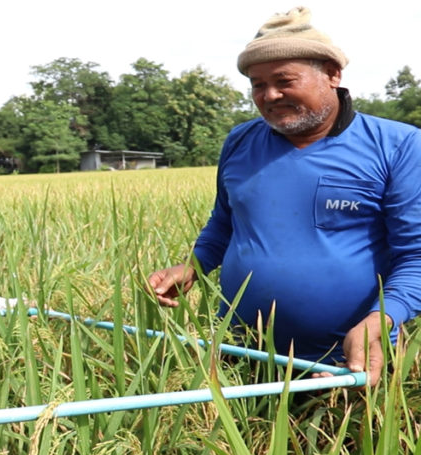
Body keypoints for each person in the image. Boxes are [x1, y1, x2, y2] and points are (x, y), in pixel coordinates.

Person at [147, 7, 421, 387]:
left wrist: (382, 318)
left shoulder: (399, 146)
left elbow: (416, 256)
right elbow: (225, 223)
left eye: (284, 80)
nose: (270, 95)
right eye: (257, 84)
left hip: (348, 364)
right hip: (243, 353)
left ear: (332, 74)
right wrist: (192, 266)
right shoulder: (240, 141)